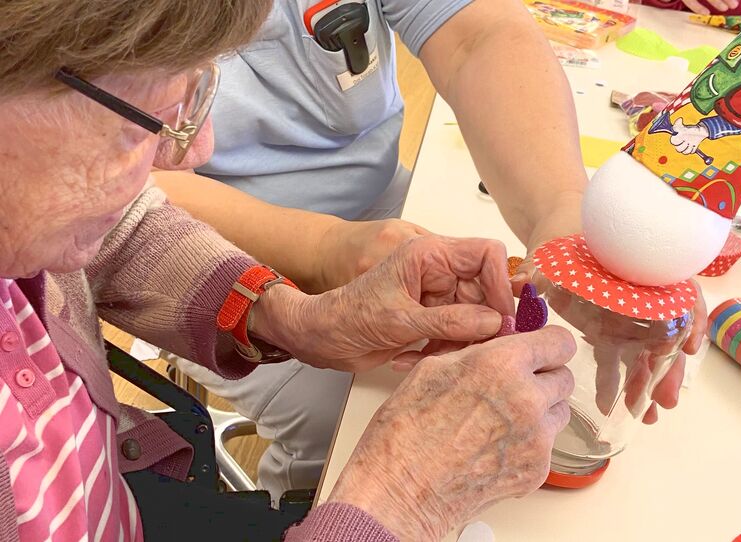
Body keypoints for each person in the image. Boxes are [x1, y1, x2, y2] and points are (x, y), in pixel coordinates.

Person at [0, 1, 581, 540]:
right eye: (145, 118)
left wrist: (290, 316)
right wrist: (402, 499)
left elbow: (120, 229)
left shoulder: (33, 212)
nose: (195, 151)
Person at [152, 0, 704, 501]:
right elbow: (127, 193)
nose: (198, 138)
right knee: (360, 431)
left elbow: (479, 35)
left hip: (383, 208)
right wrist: (321, 250)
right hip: (194, 251)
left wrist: (565, 221)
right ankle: (299, 498)